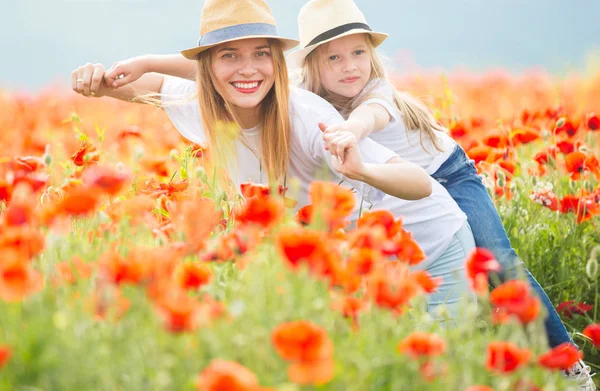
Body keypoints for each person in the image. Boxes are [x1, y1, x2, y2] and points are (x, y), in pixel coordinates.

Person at [72, 0, 477, 322]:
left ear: (277, 63)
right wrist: (101, 84)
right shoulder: (206, 108)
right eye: (229, 56)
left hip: (430, 247)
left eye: (260, 54)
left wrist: (362, 170)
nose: (248, 69)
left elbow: (421, 184)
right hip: (363, 265)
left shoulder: (307, 119)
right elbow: (152, 85)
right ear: (206, 68)